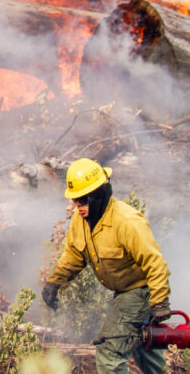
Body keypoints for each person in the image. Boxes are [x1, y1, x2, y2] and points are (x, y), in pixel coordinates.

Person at [43, 158, 171, 374]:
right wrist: (54, 283)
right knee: (144, 349)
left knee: (109, 352)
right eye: (75, 200)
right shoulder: (81, 220)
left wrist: (159, 301)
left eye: (82, 200)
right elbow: (74, 255)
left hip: (140, 293)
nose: (78, 206)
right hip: (122, 293)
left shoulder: (128, 221)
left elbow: (154, 261)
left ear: (97, 195)